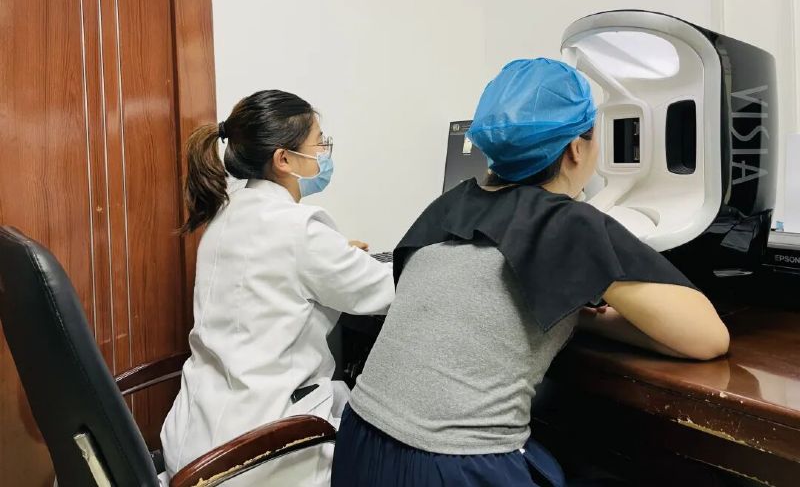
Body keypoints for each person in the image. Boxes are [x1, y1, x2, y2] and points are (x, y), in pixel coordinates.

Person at [331, 58, 729, 487]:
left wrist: (581, 315)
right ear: (576, 149)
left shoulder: (448, 205)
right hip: (454, 466)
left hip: (358, 443)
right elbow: (708, 338)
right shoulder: (569, 223)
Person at [161, 90, 395, 486]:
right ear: (283, 159)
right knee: (392, 442)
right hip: (258, 453)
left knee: (344, 396)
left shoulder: (227, 215)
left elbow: (274, 272)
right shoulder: (298, 230)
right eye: (319, 142)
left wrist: (335, 254)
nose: (324, 152)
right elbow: (389, 291)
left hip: (194, 441)